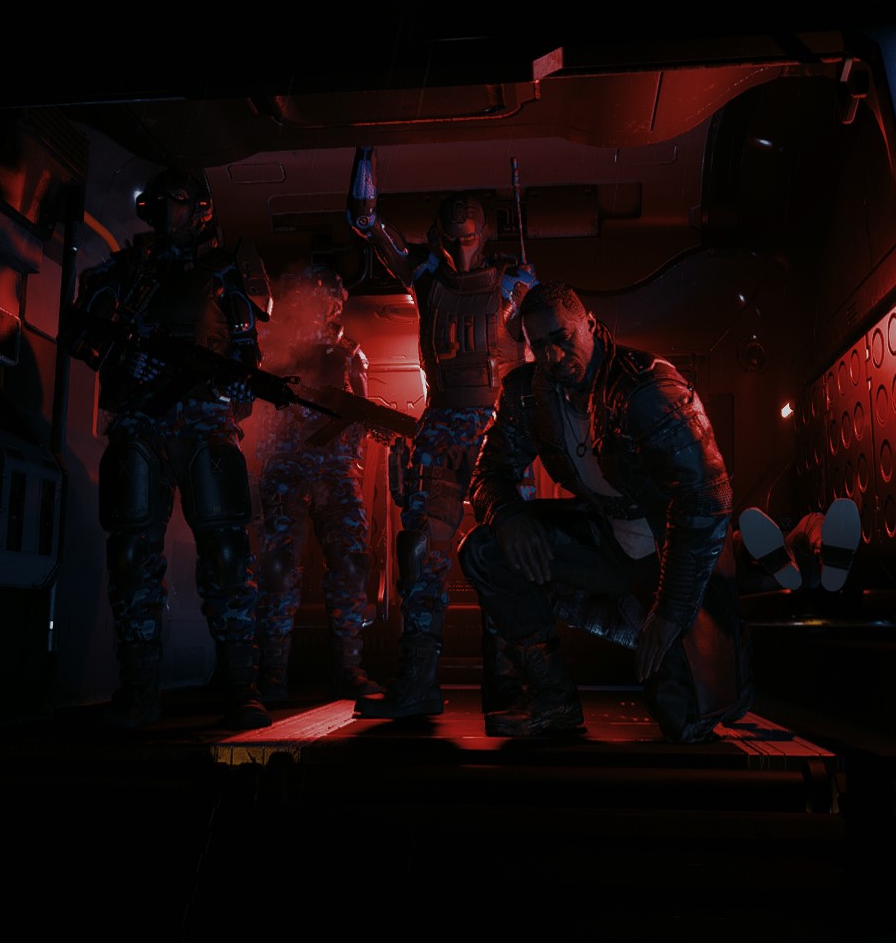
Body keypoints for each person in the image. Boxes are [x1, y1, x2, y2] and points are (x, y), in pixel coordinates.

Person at [457, 281, 861, 742]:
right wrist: (507, 514)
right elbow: (486, 473)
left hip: (675, 546)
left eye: (562, 338)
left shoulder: (647, 387)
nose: (552, 356)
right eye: (539, 345)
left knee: (688, 720)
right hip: (610, 545)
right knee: (484, 549)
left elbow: (707, 501)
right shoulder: (527, 395)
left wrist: (670, 611)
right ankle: (553, 701)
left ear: (589, 325)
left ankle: (791, 549)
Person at [58, 166, 273, 731]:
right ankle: (139, 693)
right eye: (162, 200)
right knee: (132, 556)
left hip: (205, 420)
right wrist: (123, 357)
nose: (169, 211)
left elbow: (247, 352)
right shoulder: (125, 271)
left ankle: (242, 689)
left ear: (201, 209)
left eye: (179, 200)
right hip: (140, 420)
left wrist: (238, 384)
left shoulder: (225, 273)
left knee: (228, 556)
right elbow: (77, 332)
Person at [344, 146, 536, 719]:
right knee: (422, 553)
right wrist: (364, 156)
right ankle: (420, 681)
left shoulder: (513, 285)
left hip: (497, 431)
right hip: (444, 428)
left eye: (466, 239)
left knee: (505, 557)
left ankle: (506, 681)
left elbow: (545, 355)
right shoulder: (428, 275)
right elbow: (364, 221)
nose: (459, 248)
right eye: (453, 239)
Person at [250, 264, 392, 704]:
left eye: (331, 300)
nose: (325, 308)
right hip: (286, 466)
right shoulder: (271, 348)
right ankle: (272, 675)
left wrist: (366, 432)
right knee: (278, 567)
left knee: (351, 563)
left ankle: (348, 670)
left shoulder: (350, 354)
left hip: (335, 468)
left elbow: (362, 414)